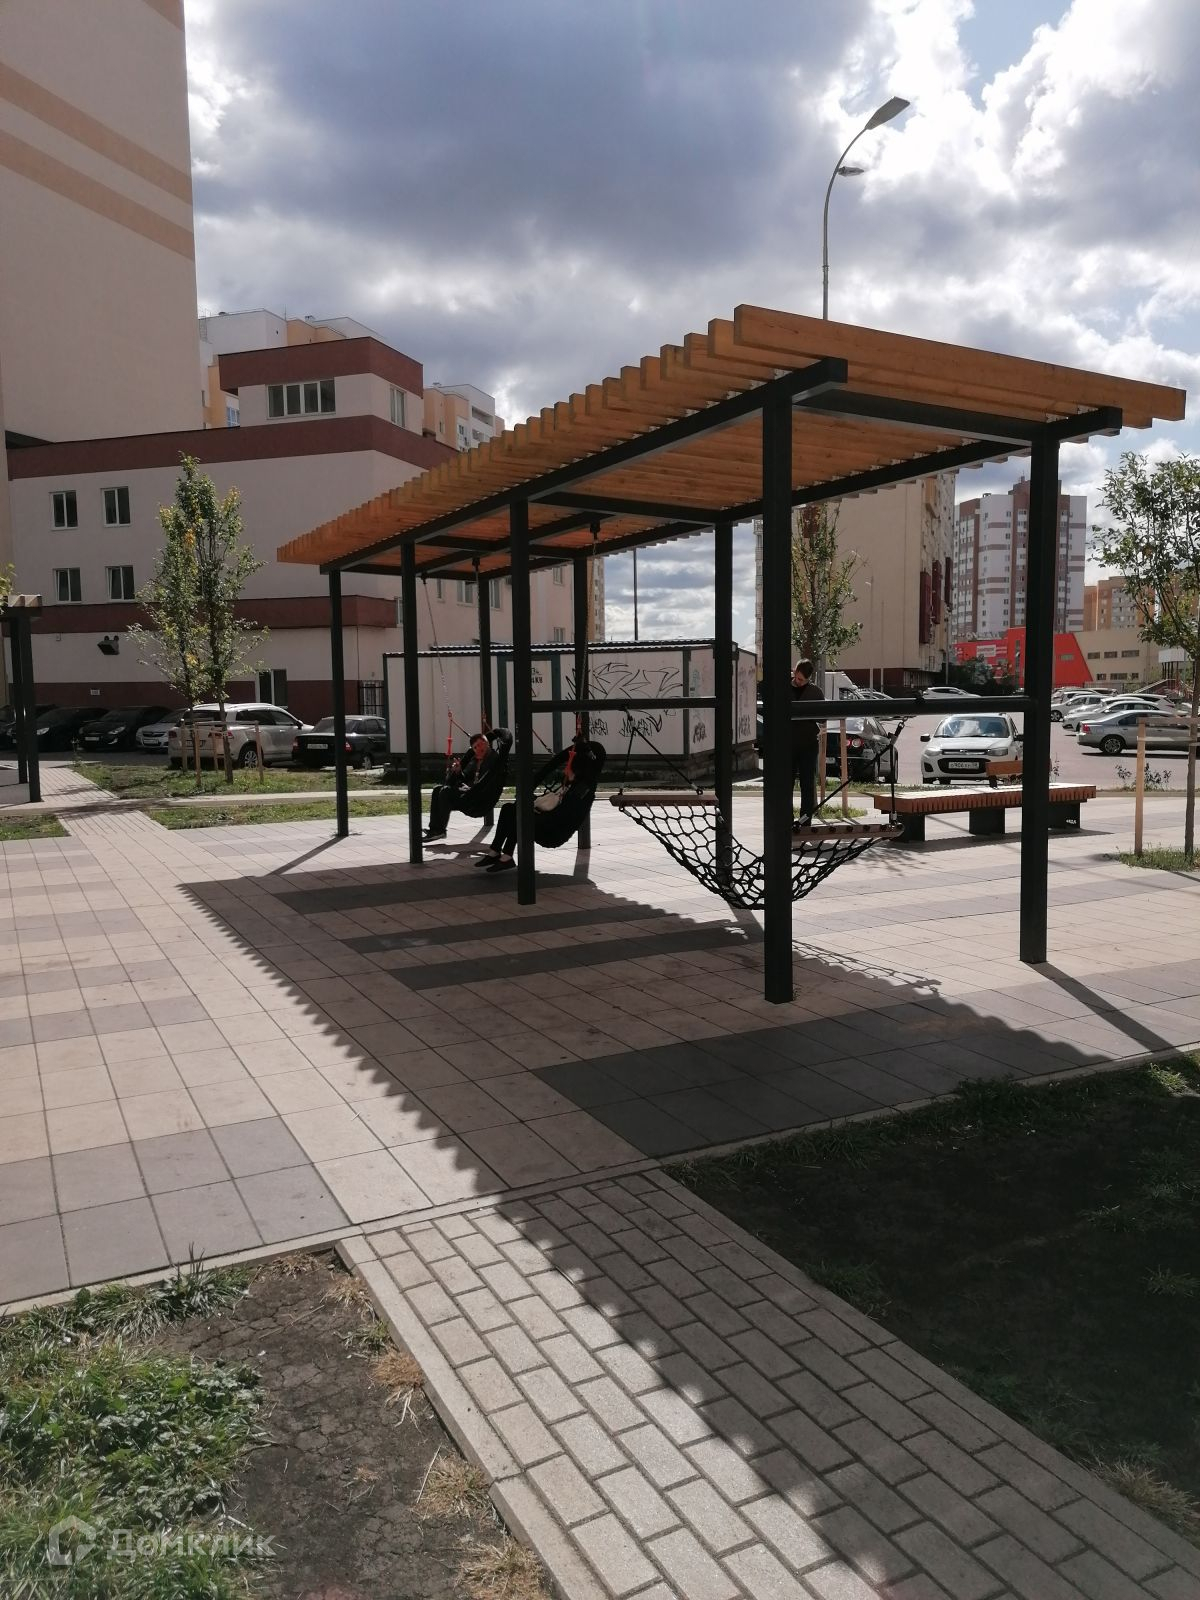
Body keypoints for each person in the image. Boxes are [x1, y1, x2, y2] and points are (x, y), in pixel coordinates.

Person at [474, 732, 604, 873]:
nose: (566, 768)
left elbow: (563, 814)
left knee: (521, 815)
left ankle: (507, 857)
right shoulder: (571, 783)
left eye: (570, 765)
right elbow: (555, 768)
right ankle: (495, 851)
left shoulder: (582, 791)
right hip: (547, 820)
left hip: (553, 831)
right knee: (508, 809)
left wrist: (535, 809)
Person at [423, 724, 512, 841]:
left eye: (481, 744)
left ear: (487, 743)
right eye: (475, 747)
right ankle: (435, 829)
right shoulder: (474, 761)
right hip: (469, 797)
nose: (478, 748)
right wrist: (458, 771)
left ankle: (439, 830)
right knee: (437, 790)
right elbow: (463, 778)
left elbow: (486, 782)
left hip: (480, 802)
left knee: (446, 792)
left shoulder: (495, 760)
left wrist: (467, 791)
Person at [791, 659, 824, 823]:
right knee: (786, 783)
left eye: (802, 680)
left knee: (807, 783)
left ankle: (805, 820)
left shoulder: (815, 692)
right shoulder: (785, 689)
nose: (798, 682)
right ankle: (787, 819)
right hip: (788, 743)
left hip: (808, 743)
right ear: (794, 671)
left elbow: (823, 718)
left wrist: (809, 714)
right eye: (797, 677)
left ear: (809, 678)